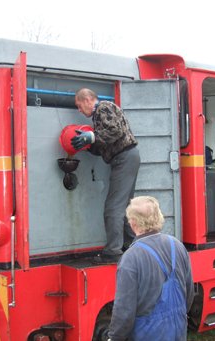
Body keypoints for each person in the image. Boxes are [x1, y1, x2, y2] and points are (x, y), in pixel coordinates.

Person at [107, 196, 194, 341]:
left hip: (147, 334)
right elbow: (189, 291)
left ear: (133, 223)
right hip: (178, 330)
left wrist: (114, 338)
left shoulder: (131, 258)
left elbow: (124, 310)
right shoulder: (177, 245)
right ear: (158, 216)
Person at [72, 88, 140, 264]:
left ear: (88, 99)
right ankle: (132, 244)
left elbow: (114, 131)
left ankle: (113, 252)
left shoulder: (103, 107)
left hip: (124, 158)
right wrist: (87, 144)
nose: (80, 111)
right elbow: (105, 142)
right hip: (126, 157)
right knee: (125, 205)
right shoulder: (98, 116)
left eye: (79, 106)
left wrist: (92, 137)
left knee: (113, 207)